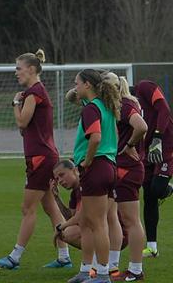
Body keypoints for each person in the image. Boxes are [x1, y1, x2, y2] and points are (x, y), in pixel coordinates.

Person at [0, 50, 71, 270]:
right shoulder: (37, 91)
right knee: (51, 208)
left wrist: (15, 103)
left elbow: (22, 122)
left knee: (28, 209)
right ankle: (64, 256)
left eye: (18, 68)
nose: (16, 72)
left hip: (41, 158)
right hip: (43, 156)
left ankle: (15, 257)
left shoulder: (33, 92)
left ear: (32, 69)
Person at [63, 69, 120, 283]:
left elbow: (95, 138)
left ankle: (103, 274)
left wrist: (86, 161)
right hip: (108, 166)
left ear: (87, 84)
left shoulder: (92, 109)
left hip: (96, 167)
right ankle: (86, 270)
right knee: (87, 221)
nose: (75, 86)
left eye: (77, 82)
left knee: (97, 223)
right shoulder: (104, 106)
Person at [112, 76, 147, 281]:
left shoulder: (125, 105)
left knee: (131, 221)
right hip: (123, 167)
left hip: (127, 168)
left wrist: (130, 145)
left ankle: (135, 269)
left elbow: (141, 126)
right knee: (120, 219)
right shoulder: (123, 104)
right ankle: (114, 266)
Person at [134, 80, 172, 258]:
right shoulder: (124, 105)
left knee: (157, 190)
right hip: (146, 151)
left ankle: (169, 188)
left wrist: (157, 137)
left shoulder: (145, 87)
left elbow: (164, 109)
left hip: (165, 144)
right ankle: (152, 247)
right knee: (148, 194)